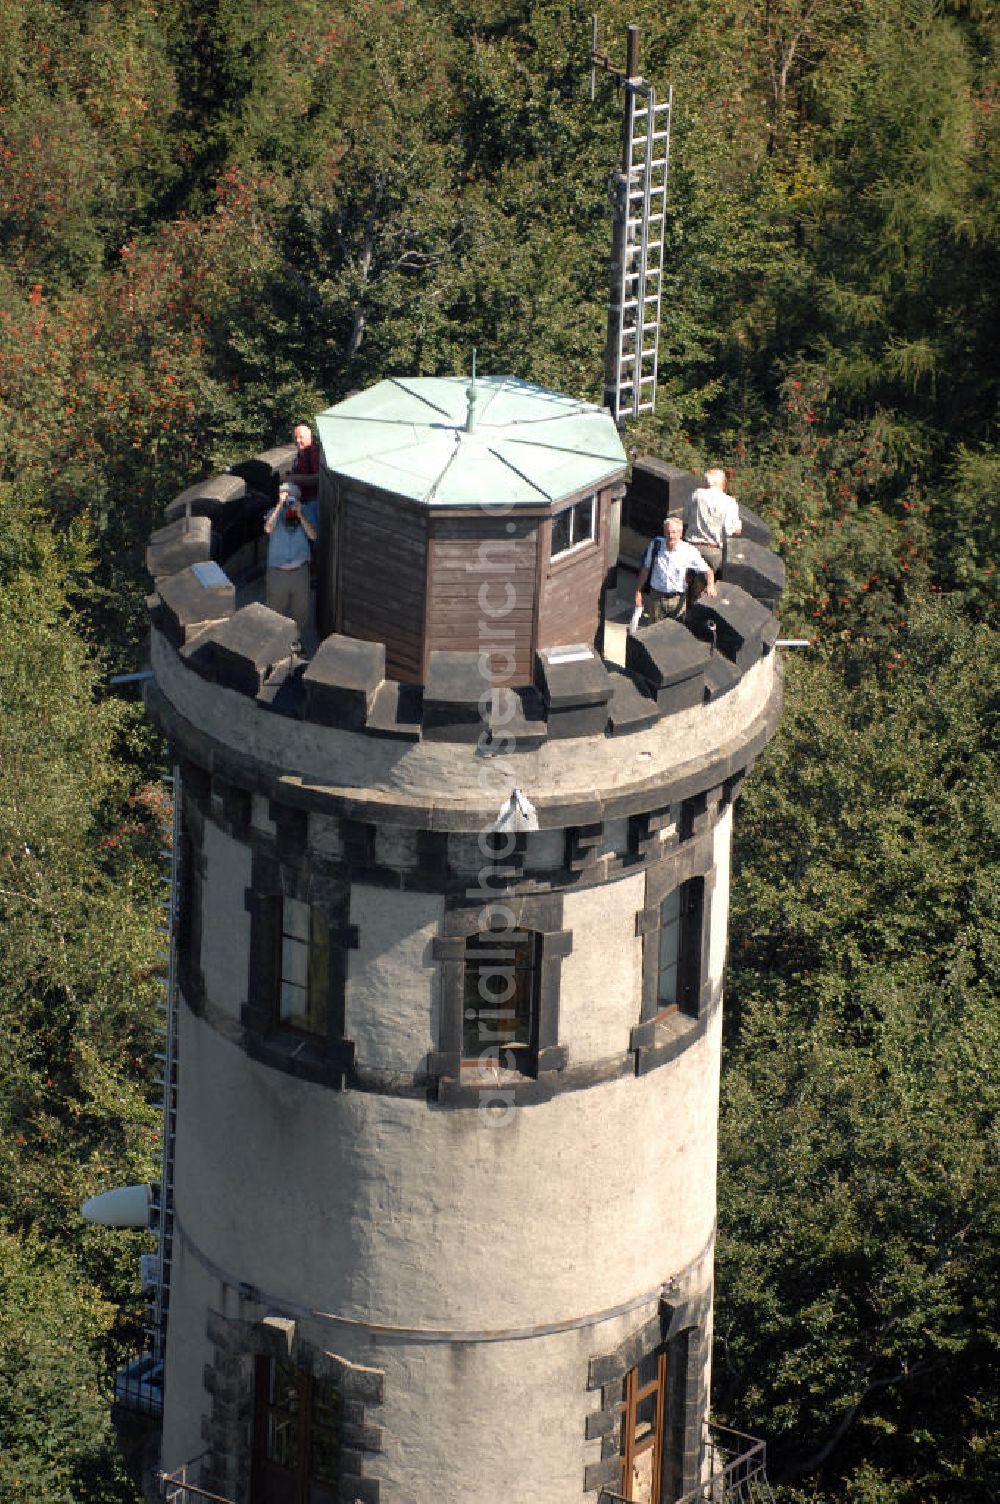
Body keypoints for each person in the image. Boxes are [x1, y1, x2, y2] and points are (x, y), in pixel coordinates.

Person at [635, 516, 717, 622]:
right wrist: (638, 591)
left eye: (674, 532)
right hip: (657, 598)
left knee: (675, 633)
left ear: (680, 533)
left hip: (678, 599)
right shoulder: (656, 545)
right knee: (655, 633)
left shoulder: (688, 551)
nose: (671, 536)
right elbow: (645, 569)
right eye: (668, 532)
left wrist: (710, 585)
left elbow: (708, 571)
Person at [264, 481, 317, 637]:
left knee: (300, 612)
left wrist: (300, 514)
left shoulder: (305, 512)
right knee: (273, 611)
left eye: (291, 497)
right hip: (278, 572)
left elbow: (313, 536)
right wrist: (279, 506)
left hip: (299, 572)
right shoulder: (274, 512)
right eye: (286, 496)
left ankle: (295, 642)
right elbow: (268, 528)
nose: (289, 501)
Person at [683, 466, 741, 574]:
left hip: (690, 546)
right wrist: (738, 527)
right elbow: (729, 530)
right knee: (706, 583)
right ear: (723, 483)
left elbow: (685, 519)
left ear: (706, 482)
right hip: (712, 550)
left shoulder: (697, 495)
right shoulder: (730, 502)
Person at [291, 422, 320, 500]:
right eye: (295, 437)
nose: (297, 440)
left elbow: (319, 478)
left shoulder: (314, 454)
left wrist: (294, 478)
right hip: (300, 497)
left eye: (301, 437)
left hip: (312, 500)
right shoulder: (300, 454)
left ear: (310, 438)